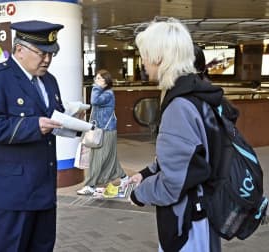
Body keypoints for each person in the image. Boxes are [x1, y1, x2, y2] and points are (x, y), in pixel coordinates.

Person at [126, 18, 222, 251]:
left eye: (145, 55)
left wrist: (139, 194)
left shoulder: (179, 106)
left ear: (158, 57)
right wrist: (149, 172)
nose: (144, 63)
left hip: (188, 224)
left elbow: (173, 185)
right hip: (205, 217)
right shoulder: (201, 96)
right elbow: (191, 158)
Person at [0, 20, 65, 252]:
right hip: (8, 194)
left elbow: (51, 115)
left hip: (42, 189)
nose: (47, 60)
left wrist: (70, 117)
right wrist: (33, 126)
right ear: (19, 49)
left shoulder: (49, 81)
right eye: (42, 53)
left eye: (51, 54)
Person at [77, 69, 129, 195]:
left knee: (98, 159)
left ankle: (90, 186)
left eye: (100, 78)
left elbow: (94, 100)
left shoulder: (108, 94)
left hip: (106, 131)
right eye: (96, 78)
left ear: (106, 82)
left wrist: (95, 87)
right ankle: (124, 178)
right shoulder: (104, 93)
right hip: (102, 130)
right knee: (110, 158)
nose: (96, 80)